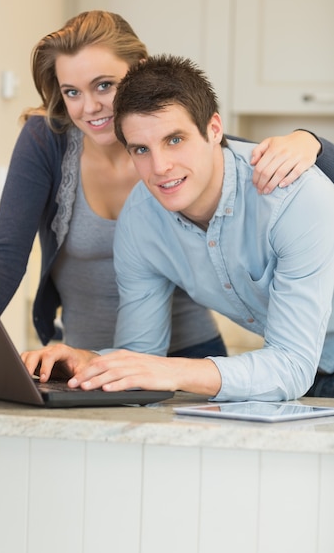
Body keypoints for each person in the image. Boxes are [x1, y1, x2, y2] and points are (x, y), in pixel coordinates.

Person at [0, 12, 331, 391]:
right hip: (138, 358)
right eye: (72, 91)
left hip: (220, 354)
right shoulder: (133, 207)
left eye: (104, 85)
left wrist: (311, 141)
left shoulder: (261, 179)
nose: (91, 106)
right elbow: (7, 256)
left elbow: (243, 164)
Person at [21, 54, 334, 402]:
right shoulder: (140, 220)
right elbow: (141, 353)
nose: (160, 167)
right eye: (141, 149)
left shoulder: (294, 197)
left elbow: (291, 365)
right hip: (308, 378)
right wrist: (86, 361)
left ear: (214, 129)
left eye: (174, 140)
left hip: (296, 371)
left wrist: (172, 370)